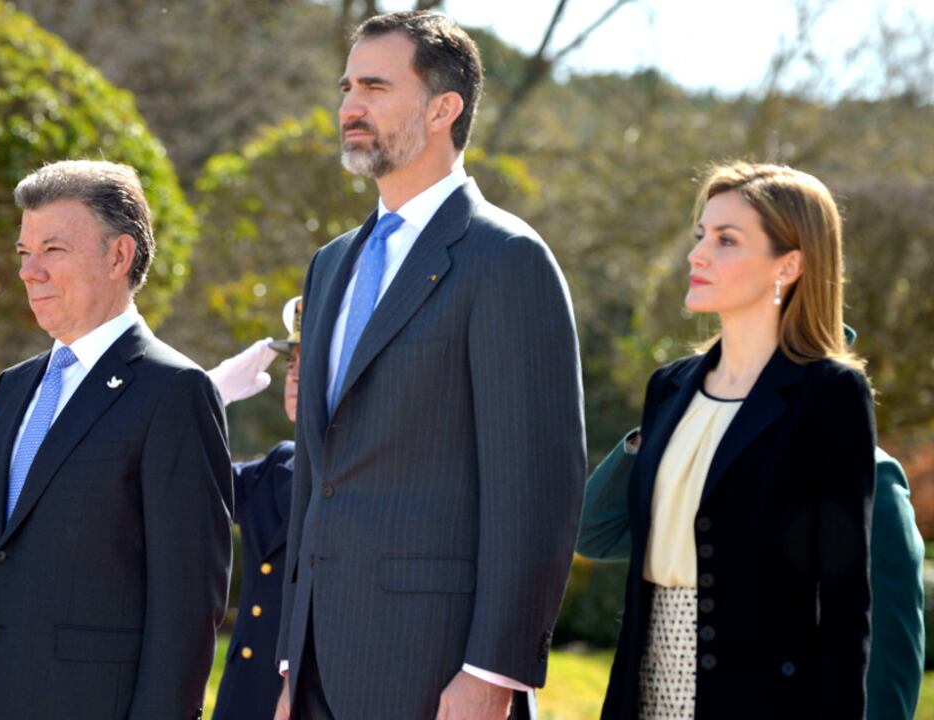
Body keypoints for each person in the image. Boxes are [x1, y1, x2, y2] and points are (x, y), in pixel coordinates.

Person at [275, 11, 586, 720]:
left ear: (444, 108)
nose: (350, 107)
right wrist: (294, 658)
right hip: (318, 665)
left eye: (376, 87)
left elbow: (537, 487)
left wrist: (493, 670)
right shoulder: (330, 267)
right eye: (348, 86)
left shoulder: (506, 260)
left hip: (438, 669)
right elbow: (316, 481)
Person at [0, 160, 232, 719]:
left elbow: (187, 603)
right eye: (25, 253)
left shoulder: (175, 392)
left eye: (53, 250)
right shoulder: (11, 388)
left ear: (118, 256)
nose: (30, 273)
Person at [593, 162, 875, 719]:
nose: (697, 254)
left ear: (789, 264)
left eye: (726, 240)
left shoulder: (830, 393)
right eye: (702, 235)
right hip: (644, 682)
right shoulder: (669, 387)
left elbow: (846, 602)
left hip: (763, 698)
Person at [579, 330, 924, 720]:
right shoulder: (690, 465)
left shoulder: (871, 476)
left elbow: (885, 662)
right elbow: (593, 533)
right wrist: (662, 433)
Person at [210, 297, 303, 720]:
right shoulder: (277, 468)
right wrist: (205, 399)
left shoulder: (378, 472)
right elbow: (176, 485)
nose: (294, 371)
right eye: (293, 359)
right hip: (248, 698)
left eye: (312, 356)